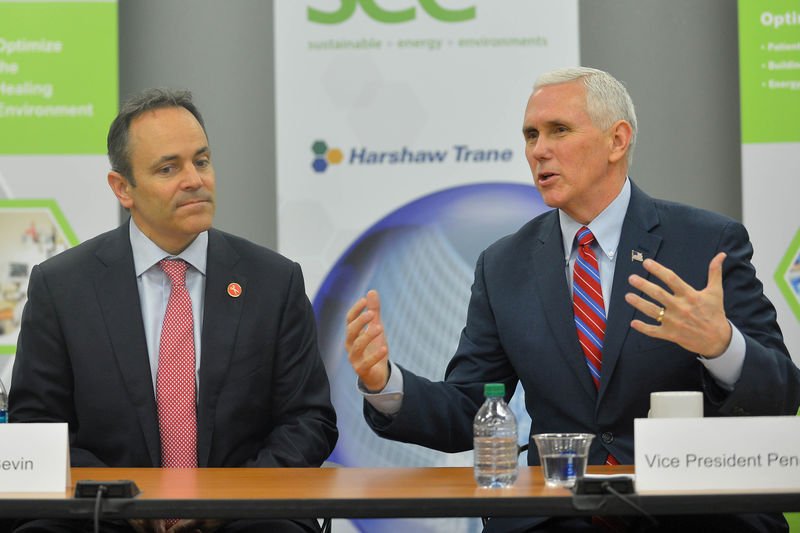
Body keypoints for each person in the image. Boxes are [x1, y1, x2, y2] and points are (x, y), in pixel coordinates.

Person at [345, 67, 800, 532]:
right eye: (530, 135)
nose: (538, 150)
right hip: (557, 517)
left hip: (689, 512)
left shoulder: (704, 243)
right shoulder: (503, 265)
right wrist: (385, 384)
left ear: (617, 141)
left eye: (558, 130)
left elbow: (781, 395)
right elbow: (471, 409)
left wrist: (721, 345)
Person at [9, 89, 338, 533]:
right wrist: (124, 502)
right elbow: (40, 430)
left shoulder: (273, 282)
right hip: (106, 516)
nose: (194, 180)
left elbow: (307, 420)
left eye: (201, 162)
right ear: (123, 188)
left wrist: (225, 503)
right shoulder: (62, 287)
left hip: (242, 515)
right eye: (169, 168)